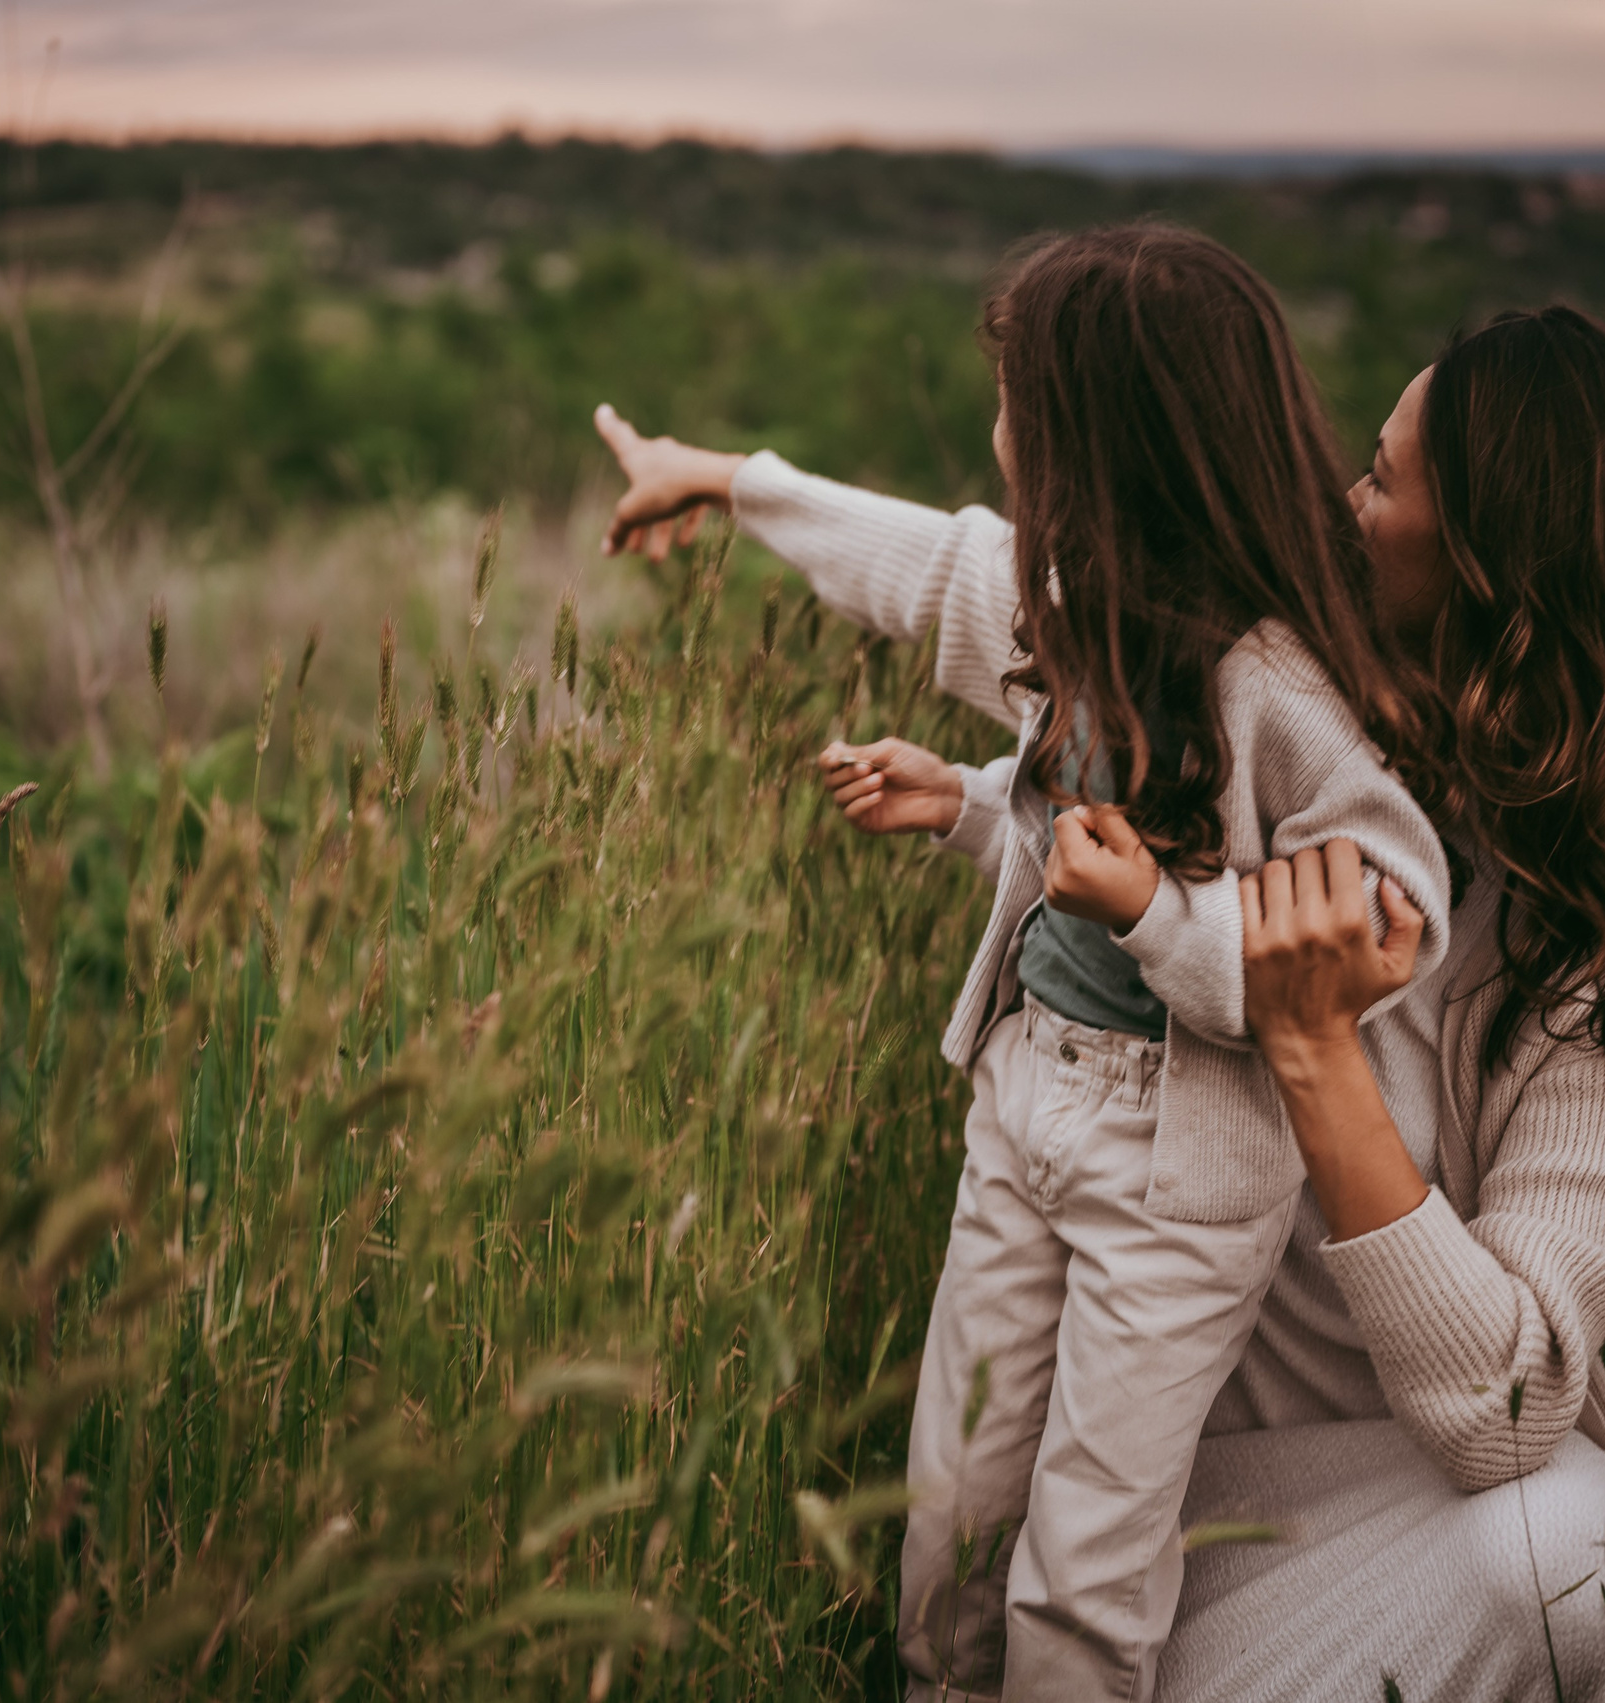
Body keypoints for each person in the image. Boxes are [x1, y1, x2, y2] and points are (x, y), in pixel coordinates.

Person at [598, 300, 1605, 1698]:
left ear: (1485, 565)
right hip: (1130, 1481)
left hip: (1360, 1544)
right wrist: (734, 483)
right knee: (1010, 1591)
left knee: (1590, 1577)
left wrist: (1314, 1053)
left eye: (1381, 477)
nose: (1343, 503)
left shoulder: (1603, 976)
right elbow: (973, 576)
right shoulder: (1251, 685)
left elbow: (1511, 1414)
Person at [600, 224, 1458, 1702]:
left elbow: (1384, 925)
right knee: (951, 1512)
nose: (999, 433)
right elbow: (923, 566)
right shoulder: (1067, 608)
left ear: (1101, 445)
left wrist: (1156, 924)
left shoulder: (1274, 689)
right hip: (1026, 1104)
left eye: (1021, 405)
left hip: (1179, 1172)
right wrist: (729, 482)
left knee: (1085, 1570)